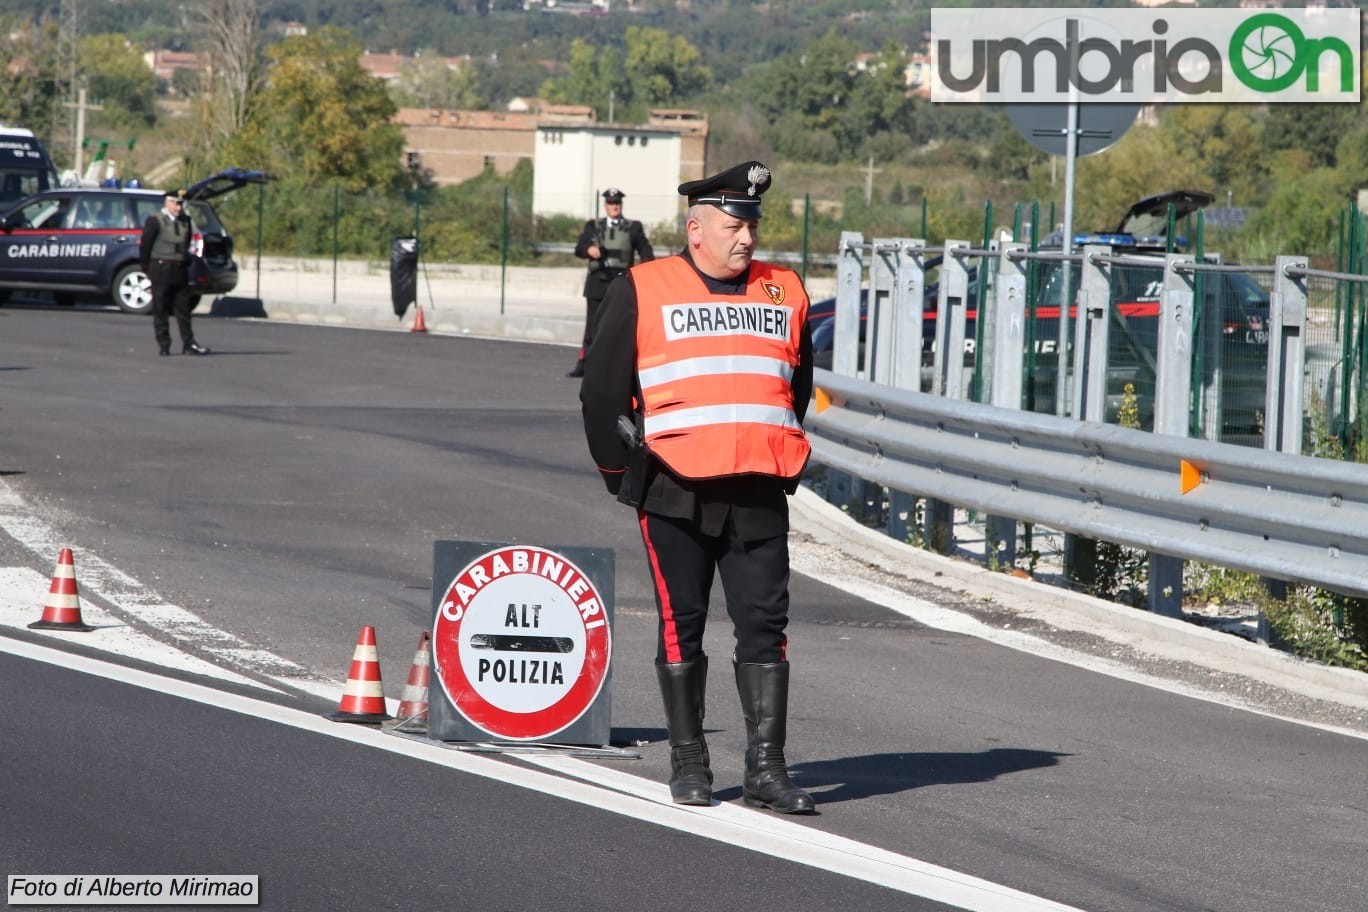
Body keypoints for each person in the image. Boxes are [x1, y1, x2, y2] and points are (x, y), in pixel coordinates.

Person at [579, 161, 815, 814]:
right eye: (735, 225)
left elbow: (794, 388)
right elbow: (601, 394)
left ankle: (767, 770)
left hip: (758, 490)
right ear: (697, 227)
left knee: (766, 628)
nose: (747, 238)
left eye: (752, 226)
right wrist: (619, 477)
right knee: (682, 626)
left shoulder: (786, 289)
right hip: (675, 493)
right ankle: (690, 765)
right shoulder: (645, 286)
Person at [567, 187, 654, 378]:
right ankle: (584, 364)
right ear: (605, 205)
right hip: (598, 281)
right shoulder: (593, 226)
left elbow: (645, 250)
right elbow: (579, 248)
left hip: (621, 281)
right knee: (593, 326)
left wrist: (646, 272)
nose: (614, 206)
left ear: (621, 205)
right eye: (610, 203)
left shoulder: (633, 227)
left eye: (617, 203)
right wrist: (589, 249)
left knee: (622, 325)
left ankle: (622, 366)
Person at [139, 188, 209, 357]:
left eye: (181, 204)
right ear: (166, 202)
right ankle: (164, 344)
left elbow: (186, 243)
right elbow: (145, 246)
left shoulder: (185, 221)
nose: (178, 208)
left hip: (179, 269)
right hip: (160, 268)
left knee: (183, 309)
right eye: (175, 204)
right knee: (161, 308)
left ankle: (189, 343)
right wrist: (147, 268)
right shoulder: (155, 221)